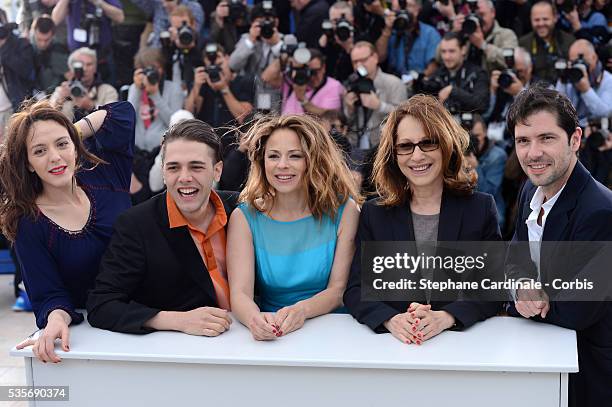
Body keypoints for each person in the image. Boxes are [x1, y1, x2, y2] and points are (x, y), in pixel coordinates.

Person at [343, 94, 501, 344]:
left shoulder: (479, 209)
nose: (416, 156)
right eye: (406, 146)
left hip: (461, 349)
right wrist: (390, 319)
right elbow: (356, 290)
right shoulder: (375, 214)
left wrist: (446, 316)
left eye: (428, 143)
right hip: (393, 349)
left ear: (446, 146)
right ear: (394, 154)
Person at [0, 101, 135, 363]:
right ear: (28, 163)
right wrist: (54, 321)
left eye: (62, 144)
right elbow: (50, 294)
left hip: (157, 311)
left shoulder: (106, 175)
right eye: (39, 151)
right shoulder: (29, 224)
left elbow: (122, 113)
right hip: (100, 335)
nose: (55, 157)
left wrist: (67, 132)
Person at [504, 86, 612, 407]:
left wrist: (518, 304)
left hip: (589, 374)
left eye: (546, 138)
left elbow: (578, 309)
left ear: (575, 139)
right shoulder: (530, 190)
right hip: (541, 357)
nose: (533, 152)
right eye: (523, 141)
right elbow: (513, 258)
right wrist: (521, 287)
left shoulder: (601, 211)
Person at [87, 120, 235, 335]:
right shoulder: (136, 224)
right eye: (173, 167)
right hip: (177, 352)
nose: (184, 178)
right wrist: (176, 320)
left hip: (251, 340)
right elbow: (102, 304)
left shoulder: (241, 209)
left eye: (196, 166)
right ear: (163, 172)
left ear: (217, 171)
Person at [227, 114, 361, 340]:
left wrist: (302, 311)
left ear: (314, 160)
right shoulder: (244, 217)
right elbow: (240, 294)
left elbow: (338, 291)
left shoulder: (345, 211)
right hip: (272, 332)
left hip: (334, 331)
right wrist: (254, 320)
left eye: (295, 156)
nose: (282, 165)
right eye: (273, 156)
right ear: (262, 161)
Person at [343, 41, 407, 149]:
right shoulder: (351, 85)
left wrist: (379, 106)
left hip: (384, 144)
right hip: (357, 144)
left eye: (363, 60)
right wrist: (349, 108)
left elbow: (404, 115)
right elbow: (346, 121)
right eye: (355, 62)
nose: (359, 65)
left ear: (375, 58)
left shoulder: (394, 83)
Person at [421, 31, 489, 115]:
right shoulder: (437, 75)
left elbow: (482, 105)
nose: (447, 57)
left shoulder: (478, 73)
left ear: (463, 50)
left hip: (469, 124)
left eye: (451, 51)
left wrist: (453, 91)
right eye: (443, 51)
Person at [50, 47, 119, 122]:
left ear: (95, 68)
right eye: (80, 65)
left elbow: (113, 120)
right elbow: (46, 117)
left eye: (89, 64)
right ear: (71, 68)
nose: (85, 69)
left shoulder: (107, 91)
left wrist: (91, 106)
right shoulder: (63, 90)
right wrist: (59, 101)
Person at [376, 0, 441, 78]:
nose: (404, 10)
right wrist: (387, 29)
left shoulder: (430, 33)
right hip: (394, 81)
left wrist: (415, 80)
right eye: (400, 7)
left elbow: (433, 67)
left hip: (419, 81)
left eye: (409, 6)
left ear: (417, 10)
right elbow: (379, 57)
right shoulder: (391, 32)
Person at [555, 39, 612, 126]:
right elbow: (557, 109)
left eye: (582, 61)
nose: (578, 66)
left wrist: (586, 91)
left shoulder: (608, 80)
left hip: (595, 130)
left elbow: (606, 113)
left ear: (594, 57)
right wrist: (563, 80)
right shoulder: (569, 76)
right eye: (574, 62)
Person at [465, 114, 507, 227]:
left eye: (477, 136)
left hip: (490, 204)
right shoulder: (456, 153)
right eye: (468, 136)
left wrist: (475, 167)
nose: (472, 141)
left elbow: (488, 193)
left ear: (485, 133)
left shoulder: (497, 156)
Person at [518, 1, 575, 85]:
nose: (541, 24)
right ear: (530, 19)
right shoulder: (523, 43)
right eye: (536, 20)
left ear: (555, 18)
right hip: (532, 93)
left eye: (545, 19)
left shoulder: (569, 41)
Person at [30, 15, 69, 96]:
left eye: (46, 40)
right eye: (39, 39)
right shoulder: (29, 46)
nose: (42, 44)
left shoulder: (59, 51)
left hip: (55, 96)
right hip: (34, 94)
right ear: (34, 33)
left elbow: (70, 76)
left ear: (52, 35)